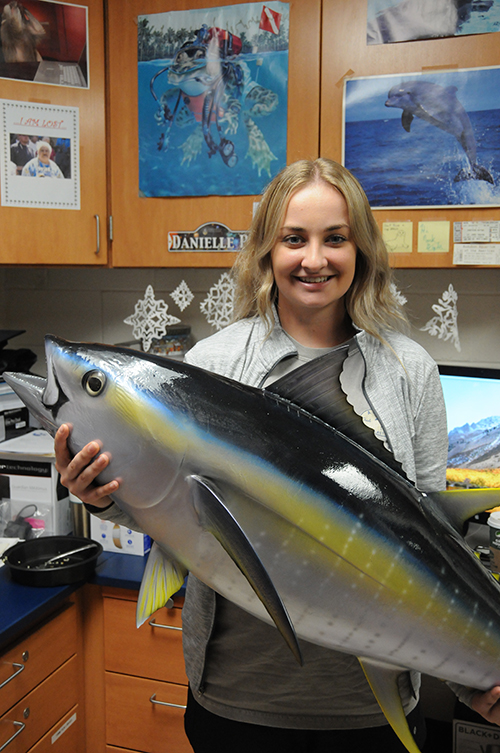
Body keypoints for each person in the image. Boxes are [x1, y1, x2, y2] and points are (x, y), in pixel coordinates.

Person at [54, 158, 500, 752]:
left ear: (361, 249)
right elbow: (170, 510)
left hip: (370, 709)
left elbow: (434, 548)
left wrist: (475, 681)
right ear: (267, 248)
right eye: (294, 239)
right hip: (239, 696)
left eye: (335, 238)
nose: (314, 259)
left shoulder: (406, 369)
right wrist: (99, 496)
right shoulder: (214, 363)